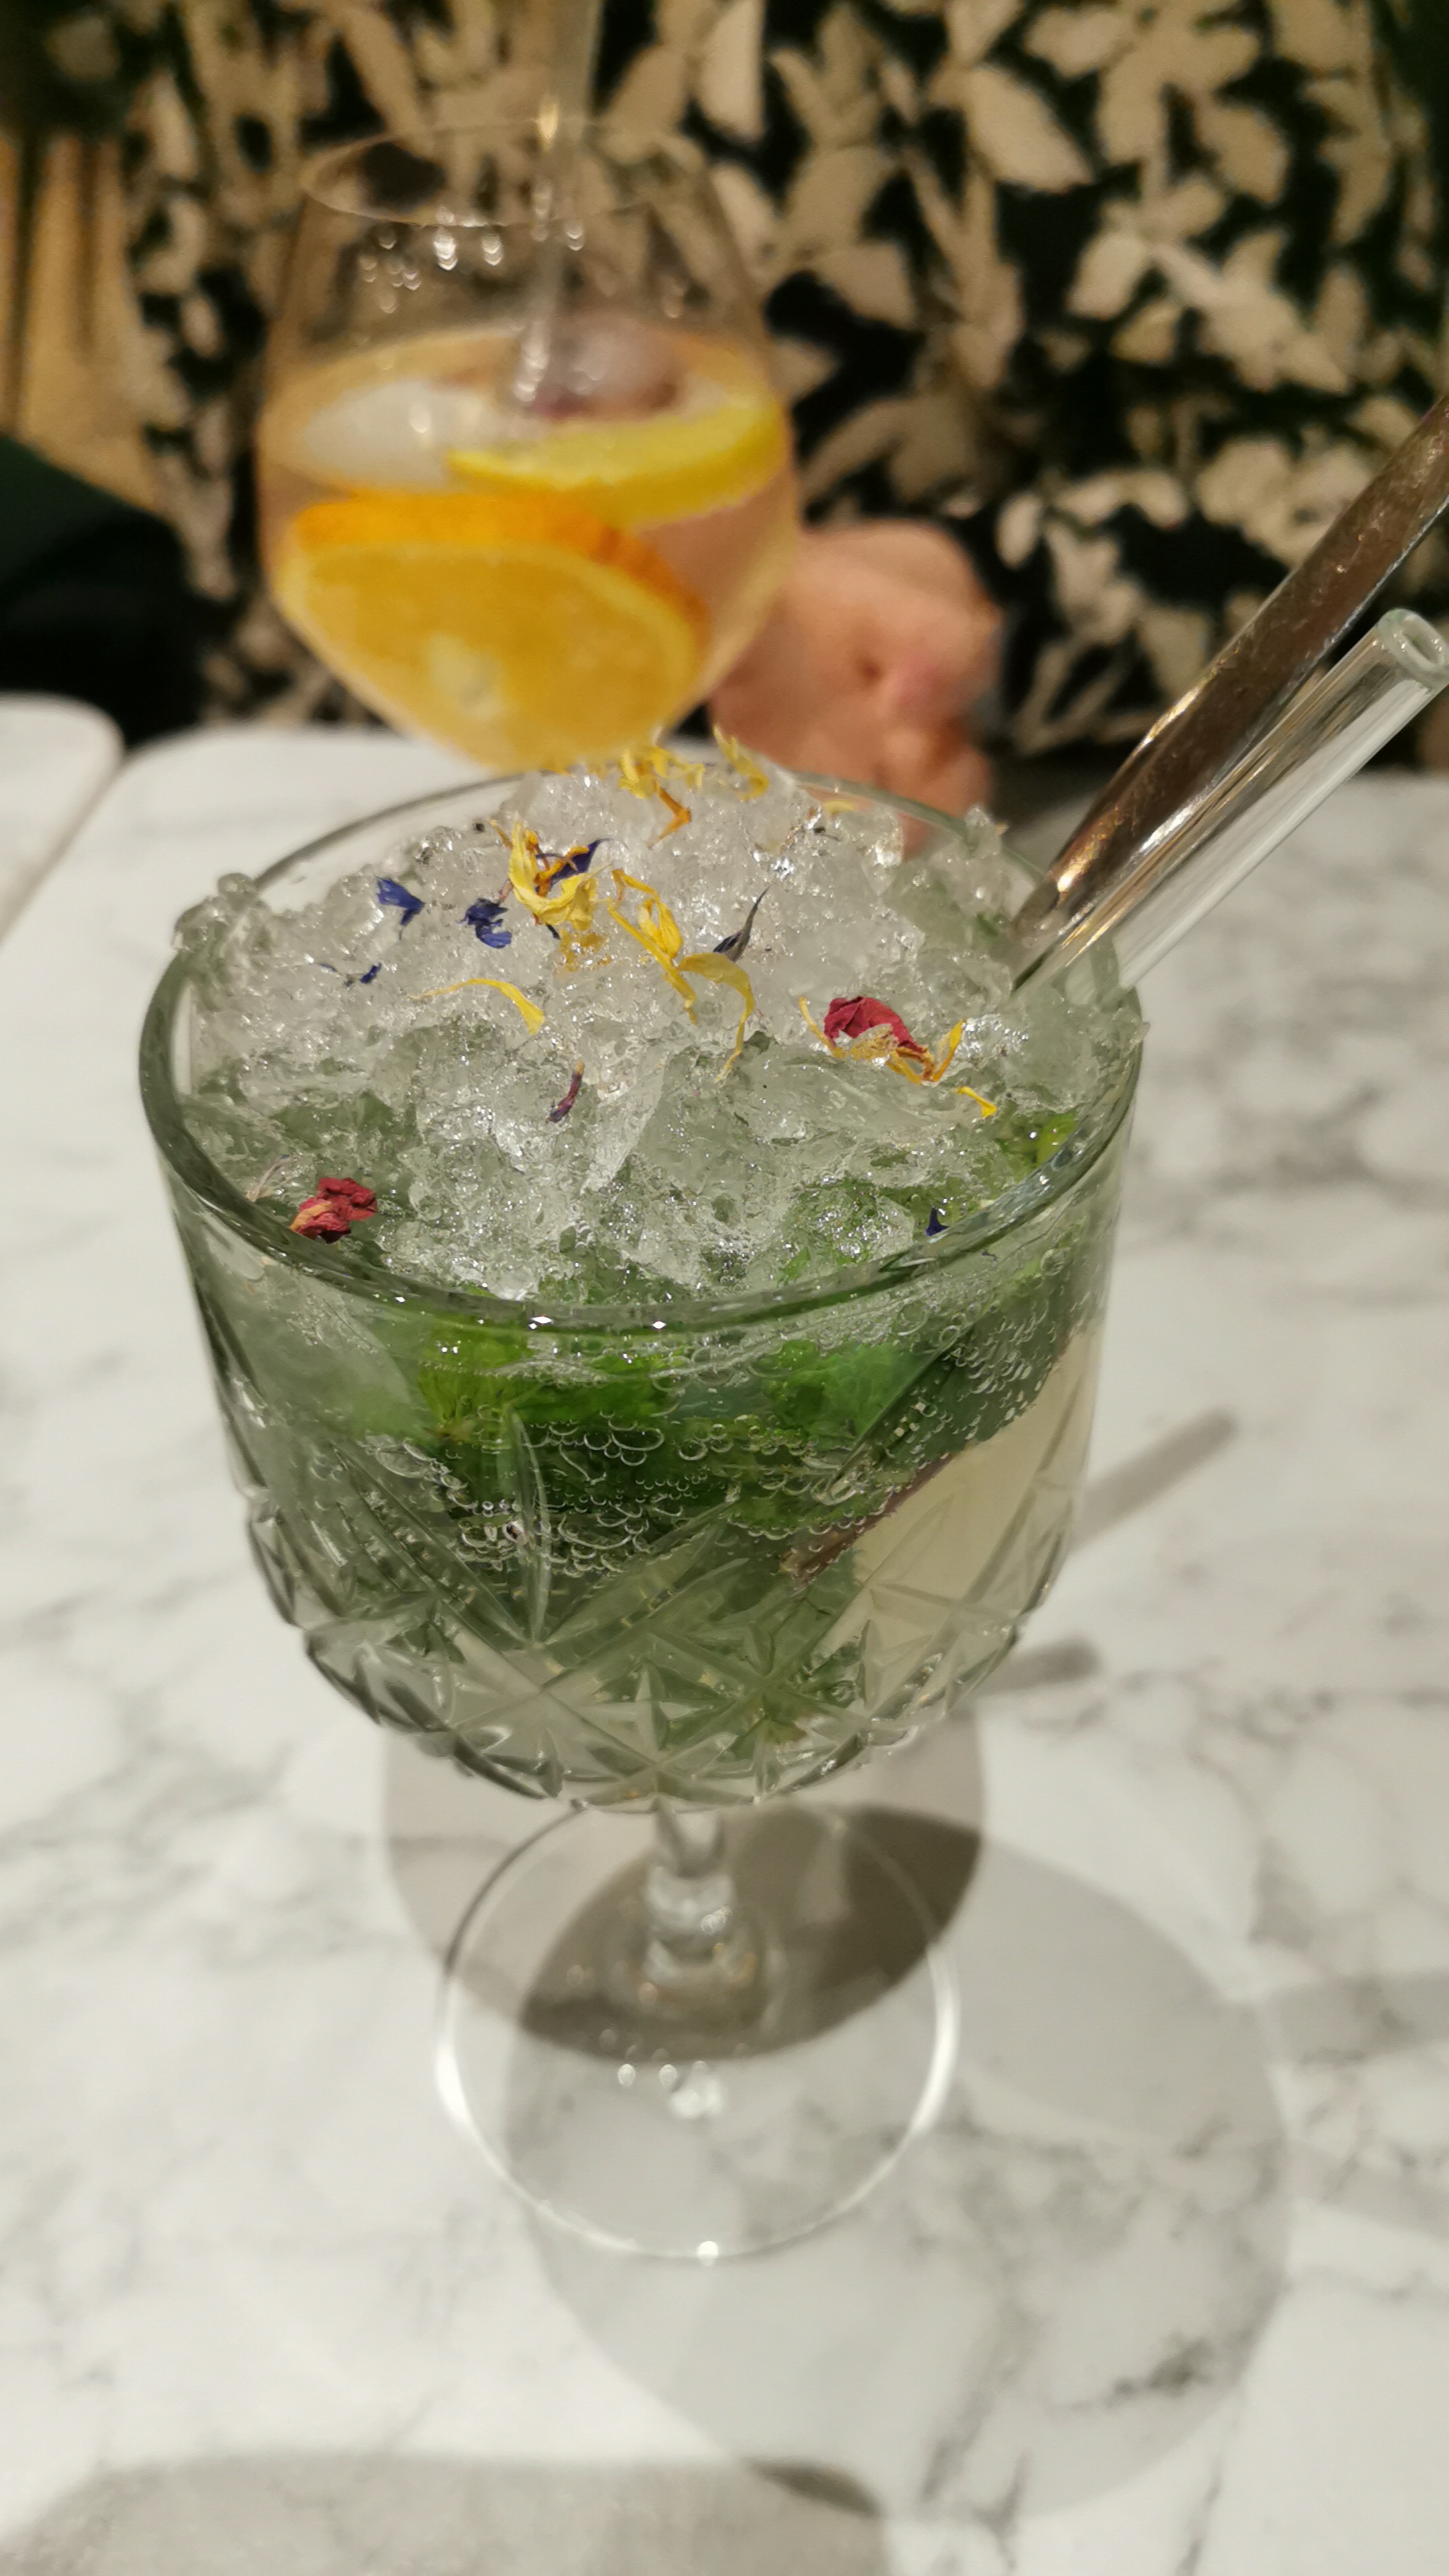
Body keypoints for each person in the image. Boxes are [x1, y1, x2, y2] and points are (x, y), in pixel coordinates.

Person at [83, 0, 1441, 803]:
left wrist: (967, 591)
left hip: (1001, 845)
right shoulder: (227, 30)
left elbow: (1382, 483)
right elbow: (252, 575)